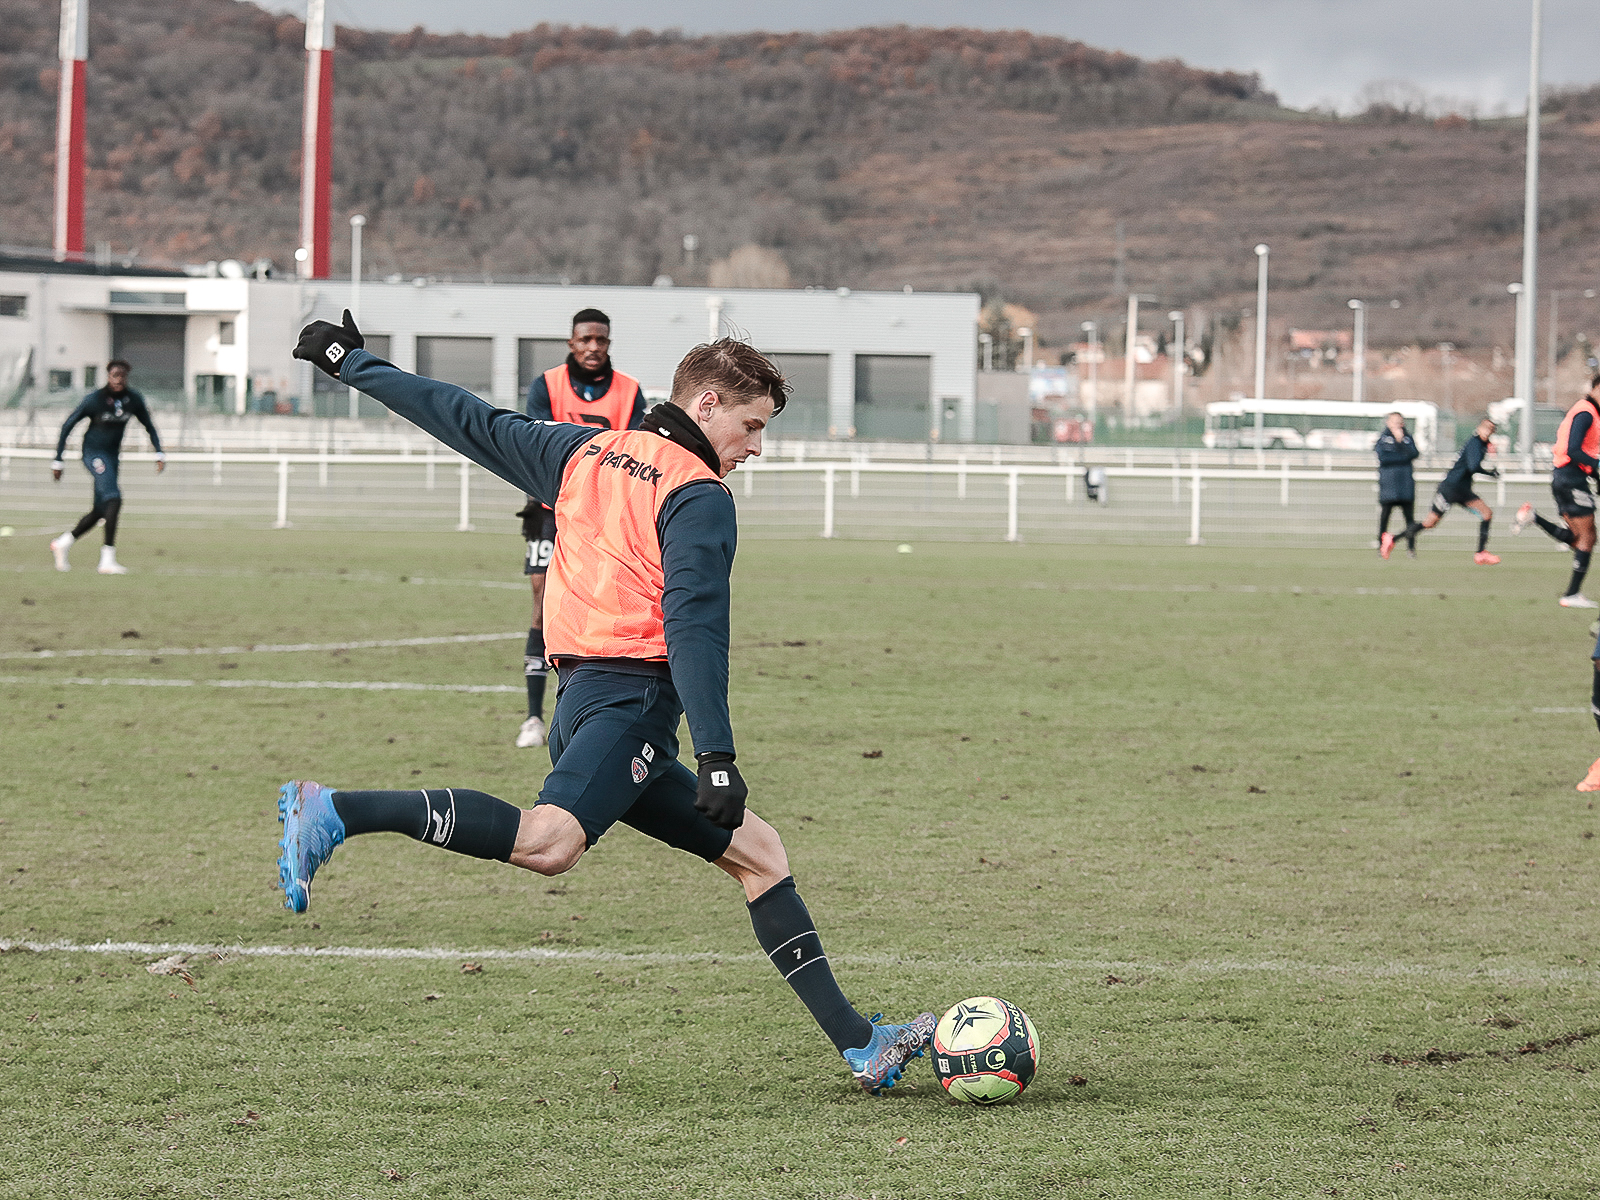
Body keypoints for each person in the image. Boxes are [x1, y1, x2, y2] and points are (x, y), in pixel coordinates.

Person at [279, 311, 936, 1095]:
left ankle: (863, 1045)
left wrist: (350, 362)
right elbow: (693, 624)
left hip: (587, 703)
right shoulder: (698, 495)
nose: (756, 446)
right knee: (549, 844)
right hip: (628, 703)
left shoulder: (581, 451)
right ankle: (336, 810)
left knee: (761, 857)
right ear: (707, 407)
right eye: (752, 425)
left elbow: (461, 416)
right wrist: (719, 755)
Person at [515, 308, 648, 750]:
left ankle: (583, 710)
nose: (594, 347)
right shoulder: (547, 385)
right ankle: (533, 717)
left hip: (603, 516)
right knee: (542, 600)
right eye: (586, 339)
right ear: (571, 341)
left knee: (600, 604)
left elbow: (634, 454)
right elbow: (535, 444)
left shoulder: (629, 392)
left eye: (601, 340)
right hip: (551, 510)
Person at [48, 359, 165, 574]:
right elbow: (68, 425)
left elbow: (149, 426)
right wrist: (58, 459)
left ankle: (63, 543)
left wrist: (159, 452)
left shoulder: (133, 399)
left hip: (112, 456)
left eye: (122, 376)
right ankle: (107, 560)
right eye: (114, 375)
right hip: (93, 454)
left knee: (101, 509)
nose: (118, 379)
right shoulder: (95, 400)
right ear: (108, 376)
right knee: (114, 498)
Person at [1512, 374, 1600, 608]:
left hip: (1566, 478)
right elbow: (1573, 450)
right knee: (1588, 537)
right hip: (1570, 479)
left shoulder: (1587, 410)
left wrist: (1595, 474)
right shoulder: (1586, 412)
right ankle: (1571, 594)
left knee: (1578, 537)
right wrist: (1597, 467)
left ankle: (1533, 517)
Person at [1402, 417, 1501, 564]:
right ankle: (1480, 553)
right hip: (1453, 488)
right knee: (1485, 513)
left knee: (1430, 523)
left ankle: (1392, 538)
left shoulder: (1481, 443)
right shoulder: (1475, 443)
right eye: (1486, 427)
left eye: (1491, 429)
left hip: (1456, 488)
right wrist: (1490, 473)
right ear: (1479, 427)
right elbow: (1473, 466)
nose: (1487, 431)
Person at [1376, 411, 1419, 560]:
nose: (1397, 424)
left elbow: (1414, 454)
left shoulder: (1407, 438)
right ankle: (1380, 546)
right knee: (1384, 518)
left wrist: (1400, 444)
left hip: (1406, 485)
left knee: (1409, 520)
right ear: (1388, 423)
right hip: (1389, 485)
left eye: (1400, 421)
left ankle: (1411, 548)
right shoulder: (1383, 438)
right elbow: (1384, 457)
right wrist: (1402, 456)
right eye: (1394, 421)